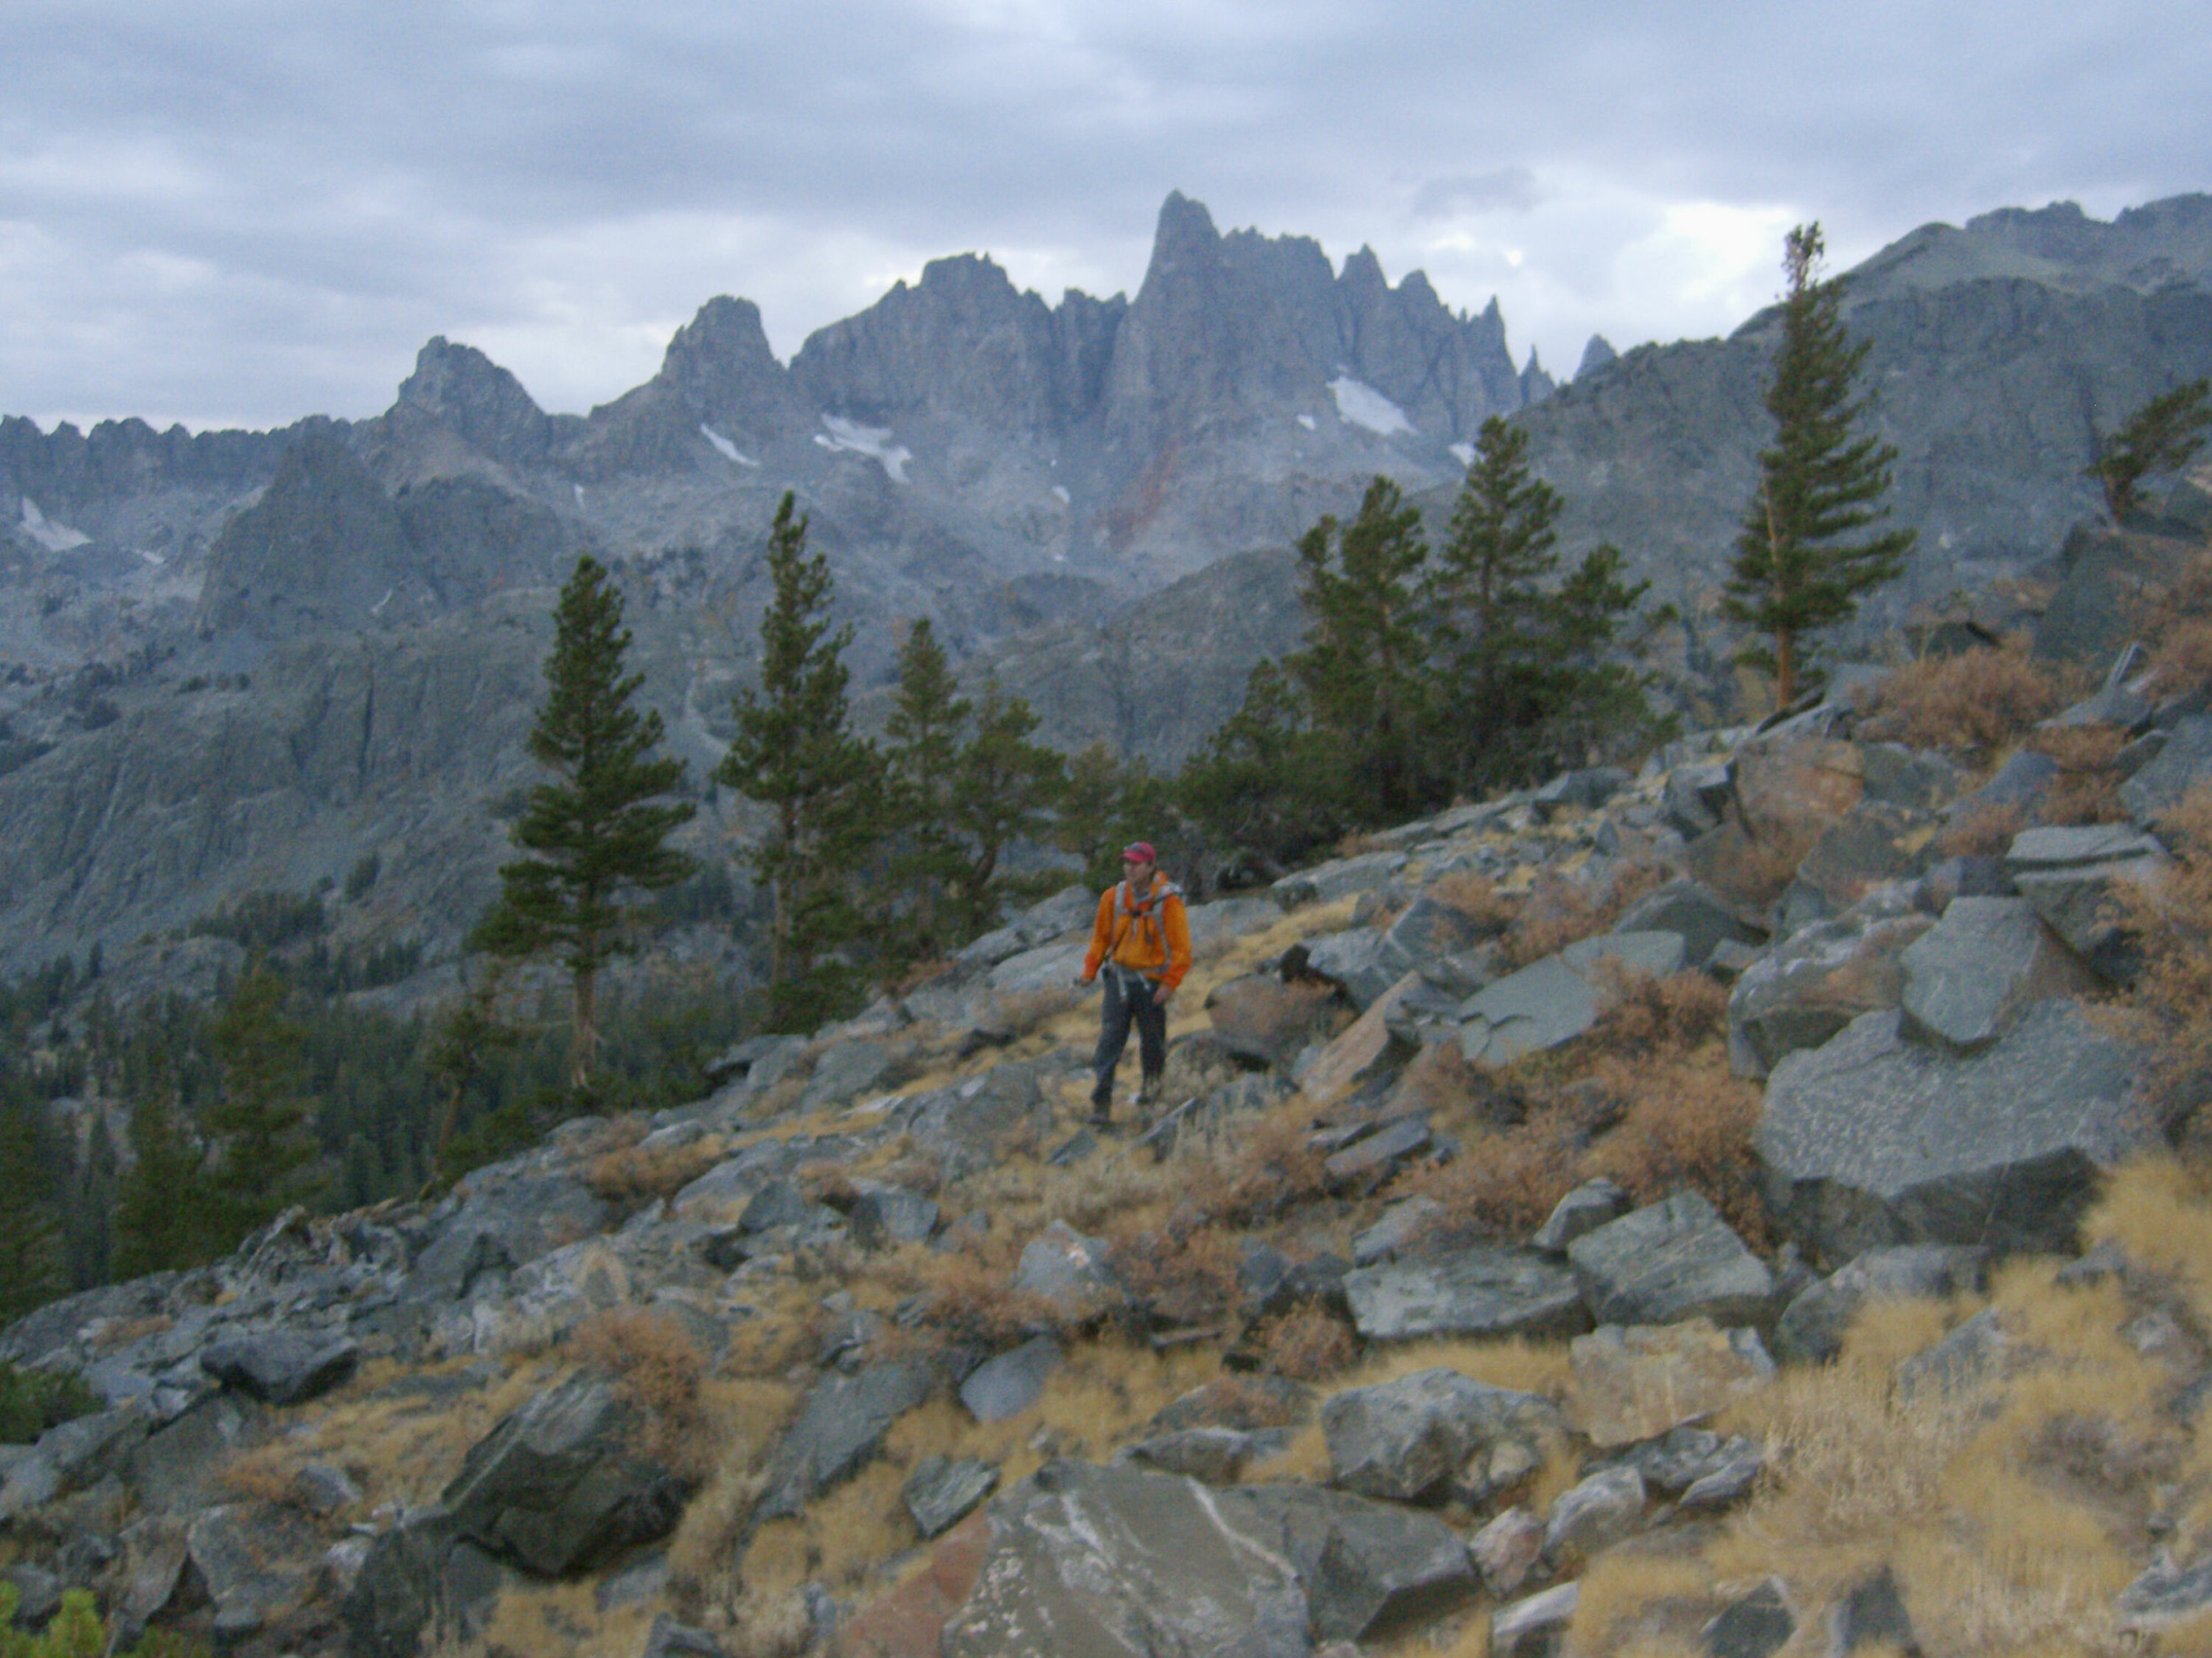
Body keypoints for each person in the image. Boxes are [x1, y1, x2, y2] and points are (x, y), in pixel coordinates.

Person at [1078, 841, 1192, 1128]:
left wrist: (1170, 983)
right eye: (1127, 862)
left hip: (1152, 984)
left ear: (1151, 866)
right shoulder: (1112, 898)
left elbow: (1182, 949)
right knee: (1109, 1042)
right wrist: (1090, 971)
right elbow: (1100, 939)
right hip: (1119, 979)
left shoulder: (1168, 901)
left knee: (1153, 1045)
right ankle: (1101, 1105)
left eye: (1136, 863)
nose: (1130, 867)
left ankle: (1152, 1098)